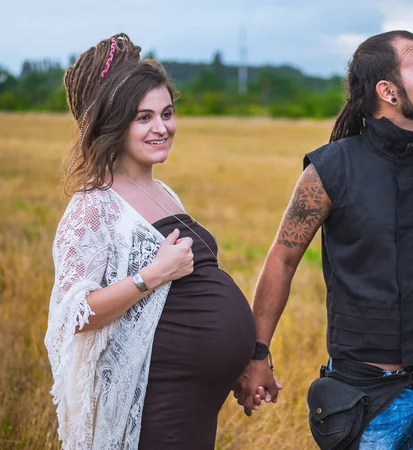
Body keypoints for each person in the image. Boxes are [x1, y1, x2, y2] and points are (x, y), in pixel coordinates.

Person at [234, 30, 413, 449]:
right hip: (365, 401)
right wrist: (257, 354)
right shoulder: (330, 170)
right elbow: (282, 260)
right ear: (388, 91)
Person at [45, 34, 256, 449]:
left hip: (193, 402)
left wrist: (239, 362)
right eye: (144, 118)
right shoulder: (94, 206)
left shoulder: (166, 193)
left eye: (167, 113)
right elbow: (75, 316)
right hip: (154, 404)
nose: (162, 128)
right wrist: (151, 275)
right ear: (114, 123)